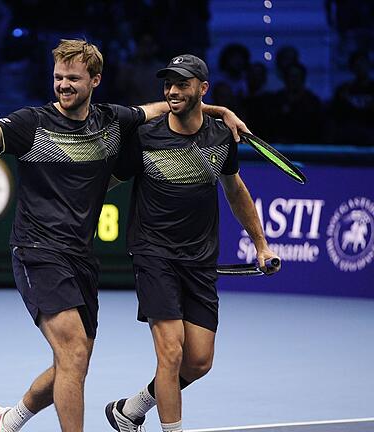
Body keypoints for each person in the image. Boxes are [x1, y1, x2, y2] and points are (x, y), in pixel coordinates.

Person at [0, 40, 247, 432]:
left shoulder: (111, 121)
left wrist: (219, 110)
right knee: (72, 352)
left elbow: (164, 108)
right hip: (37, 249)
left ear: (95, 80)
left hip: (80, 258)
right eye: (58, 77)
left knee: (76, 359)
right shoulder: (31, 124)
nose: (63, 85)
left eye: (73, 78)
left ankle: (10, 417)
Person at [104, 54, 280, 432]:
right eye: (168, 83)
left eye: (182, 84)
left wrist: (261, 244)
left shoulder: (221, 137)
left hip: (200, 259)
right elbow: (109, 181)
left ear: (203, 89)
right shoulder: (145, 135)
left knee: (198, 361)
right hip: (153, 253)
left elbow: (236, 191)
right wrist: (66, 199)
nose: (172, 91)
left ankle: (131, 409)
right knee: (171, 353)